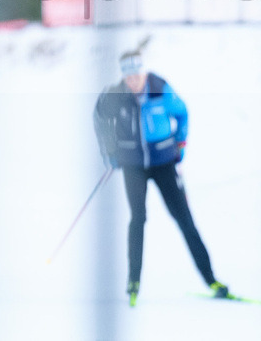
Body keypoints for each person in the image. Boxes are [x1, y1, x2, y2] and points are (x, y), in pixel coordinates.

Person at [93, 49, 231, 307]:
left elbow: (182, 113)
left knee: (184, 219)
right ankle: (133, 282)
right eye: (129, 76)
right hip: (133, 165)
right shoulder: (115, 95)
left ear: (144, 72)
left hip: (164, 163)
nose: (134, 81)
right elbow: (99, 118)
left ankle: (211, 279)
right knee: (138, 219)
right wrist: (109, 151)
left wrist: (181, 143)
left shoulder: (161, 89)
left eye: (137, 75)